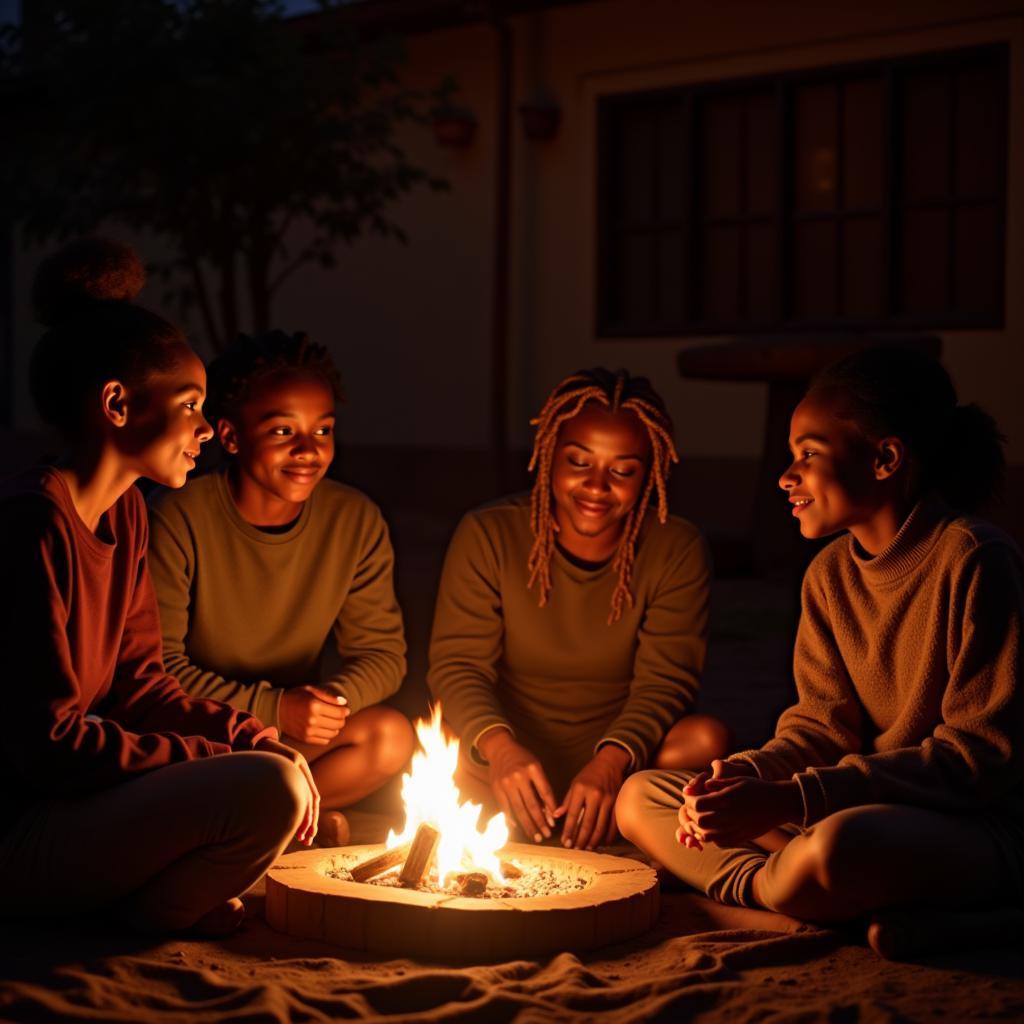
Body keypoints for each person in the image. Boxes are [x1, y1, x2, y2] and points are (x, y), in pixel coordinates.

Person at [616, 345, 1024, 959]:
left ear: (885, 458)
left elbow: (980, 760)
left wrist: (790, 800)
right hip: (843, 809)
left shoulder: (974, 560)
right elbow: (820, 727)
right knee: (643, 796)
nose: (786, 475)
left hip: (971, 827)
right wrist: (747, 777)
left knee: (839, 847)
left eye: (808, 454)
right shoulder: (829, 575)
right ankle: (834, 909)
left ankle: (778, 898)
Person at [0, 239, 317, 938]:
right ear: (117, 403)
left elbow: (142, 689)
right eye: (191, 404)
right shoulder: (32, 525)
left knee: (274, 779)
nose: (207, 428)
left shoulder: (126, 513)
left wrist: (249, 732)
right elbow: (49, 747)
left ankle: (132, 910)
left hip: (70, 813)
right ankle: (127, 923)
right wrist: (223, 759)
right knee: (271, 791)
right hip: (18, 831)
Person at [428, 368, 730, 853]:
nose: (596, 485)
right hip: (510, 756)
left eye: (623, 470)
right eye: (578, 462)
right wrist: (502, 751)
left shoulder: (677, 547)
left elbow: (666, 682)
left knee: (704, 740)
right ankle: (558, 820)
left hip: (622, 761)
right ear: (548, 456)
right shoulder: (488, 533)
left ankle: (602, 816)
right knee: (440, 735)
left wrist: (612, 765)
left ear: (649, 473)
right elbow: (458, 665)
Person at [147, 330, 414, 848]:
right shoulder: (178, 515)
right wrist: (273, 708)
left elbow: (383, 653)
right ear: (229, 437)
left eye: (324, 430)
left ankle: (277, 820)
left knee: (390, 737)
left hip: (289, 736)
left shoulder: (354, 519)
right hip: (197, 733)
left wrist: (331, 703)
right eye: (281, 431)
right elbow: (159, 670)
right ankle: (271, 822)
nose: (308, 450)